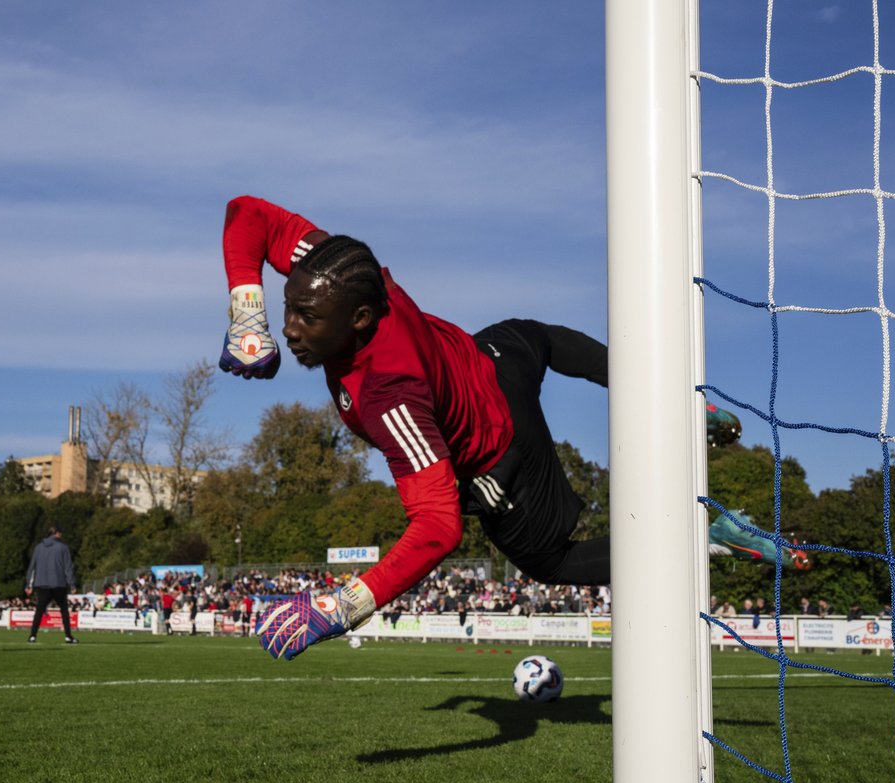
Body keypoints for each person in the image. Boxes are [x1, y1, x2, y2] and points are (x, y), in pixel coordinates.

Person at [218, 195, 740, 660]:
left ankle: (699, 537)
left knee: (550, 561)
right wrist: (247, 312)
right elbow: (247, 213)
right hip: (491, 356)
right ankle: (680, 401)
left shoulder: (387, 394)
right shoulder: (346, 272)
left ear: (357, 319)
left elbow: (438, 526)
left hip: (500, 446)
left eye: (306, 317)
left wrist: (344, 605)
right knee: (542, 337)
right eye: (287, 307)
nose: (288, 328)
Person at [25, 526, 77, 644]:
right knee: (64, 610)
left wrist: (29, 584)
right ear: (57, 533)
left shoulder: (38, 547)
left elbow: (32, 567)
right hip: (58, 583)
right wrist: (72, 584)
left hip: (41, 584)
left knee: (39, 610)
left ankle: (32, 635)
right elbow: (68, 568)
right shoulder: (63, 547)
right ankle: (68, 636)